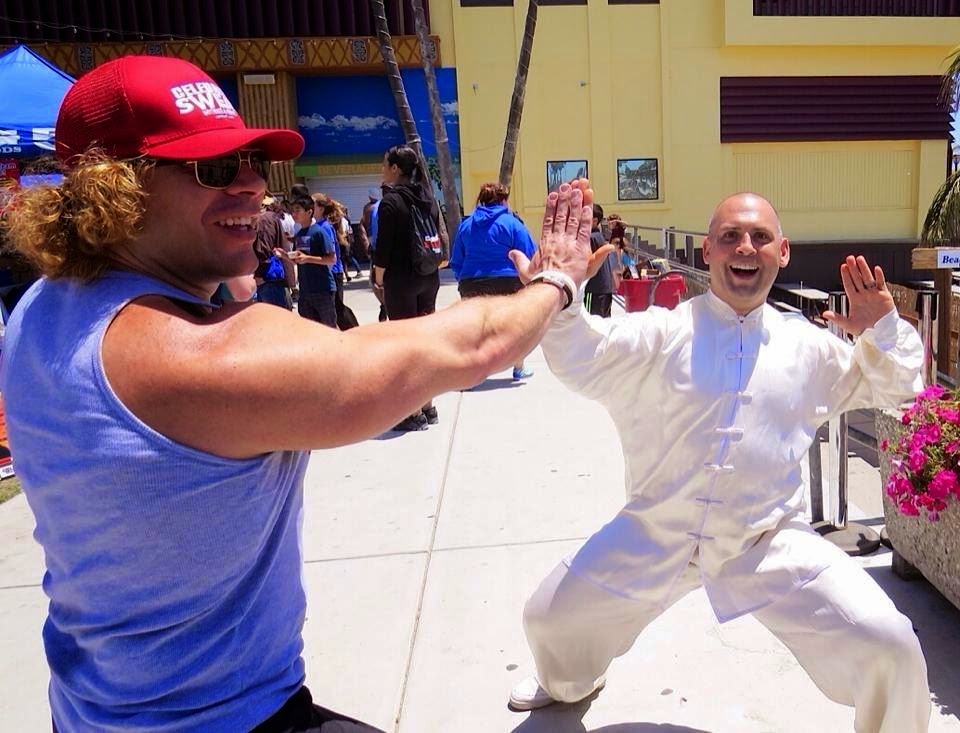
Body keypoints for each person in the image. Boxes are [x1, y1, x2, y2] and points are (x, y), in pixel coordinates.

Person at [0, 55, 602, 733]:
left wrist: (218, 273)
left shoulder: (44, 310)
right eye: (215, 169)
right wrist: (555, 279)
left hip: (92, 712)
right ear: (116, 190)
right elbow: (471, 347)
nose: (254, 184)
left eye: (252, 159)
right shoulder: (199, 353)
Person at [507, 189, 931, 732]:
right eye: (730, 236)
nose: (745, 247)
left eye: (760, 237)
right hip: (656, 531)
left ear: (784, 252)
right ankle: (569, 682)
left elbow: (898, 389)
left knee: (893, 644)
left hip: (766, 540)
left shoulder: (809, 347)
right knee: (545, 619)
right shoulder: (663, 332)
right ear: (707, 251)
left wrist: (884, 330)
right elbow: (582, 355)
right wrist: (560, 296)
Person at [372, 144, 442, 431]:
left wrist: (377, 280)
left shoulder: (391, 203)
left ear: (396, 169)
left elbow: (383, 251)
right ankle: (428, 406)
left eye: (385, 165)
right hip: (428, 276)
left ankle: (411, 413)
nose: (383, 169)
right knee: (424, 344)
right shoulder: (427, 199)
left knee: (404, 347)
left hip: (401, 281)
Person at [450, 182, 538, 380]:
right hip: (508, 281)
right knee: (515, 327)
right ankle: (518, 367)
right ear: (503, 201)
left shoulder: (467, 225)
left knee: (473, 331)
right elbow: (529, 254)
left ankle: (470, 377)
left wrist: (463, 279)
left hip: (471, 281)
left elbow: (457, 259)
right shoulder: (513, 223)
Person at [288, 195, 338, 328]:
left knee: (328, 328)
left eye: (297, 210)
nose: (294, 214)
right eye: (292, 211)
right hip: (305, 291)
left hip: (322, 289)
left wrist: (307, 259)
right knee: (310, 329)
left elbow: (332, 259)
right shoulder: (299, 234)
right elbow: (298, 259)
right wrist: (285, 256)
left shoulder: (319, 232)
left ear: (309, 212)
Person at [312, 193, 358, 331]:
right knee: (335, 307)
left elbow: (331, 254)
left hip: (332, 272)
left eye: (312, 204)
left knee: (337, 307)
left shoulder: (324, 227)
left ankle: (352, 330)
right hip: (329, 273)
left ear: (320, 208)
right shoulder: (319, 226)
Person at [253, 195, 295, 309]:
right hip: (274, 277)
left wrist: (259, 274)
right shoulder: (271, 218)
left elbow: (263, 250)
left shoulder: (264, 219)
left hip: (268, 278)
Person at [583, 203, 617, 317]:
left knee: (590, 323)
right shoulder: (599, 236)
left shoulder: (591, 238)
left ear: (594, 220)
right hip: (604, 288)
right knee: (604, 323)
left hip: (594, 288)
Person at [361, 187, 386, 322]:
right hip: (382, 247)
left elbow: (362, 228)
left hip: (376, 247)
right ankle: (385, 304)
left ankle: (383, 304)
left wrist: (368, 247)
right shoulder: (378, 207)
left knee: (376, 281)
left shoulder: (368, 209)